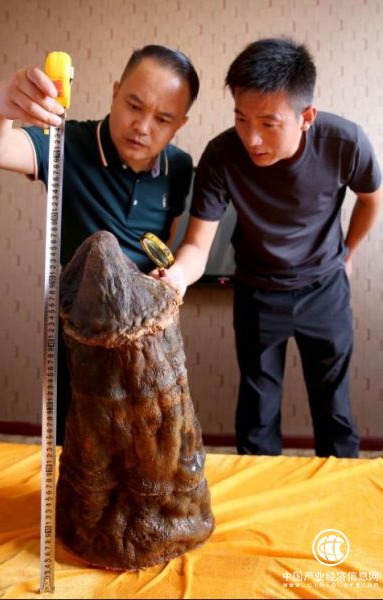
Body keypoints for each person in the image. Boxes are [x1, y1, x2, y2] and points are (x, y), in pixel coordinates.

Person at [0, 44, 200, 444]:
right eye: (134, 106)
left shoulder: (179, 167)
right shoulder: (66, 143)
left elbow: (175, 244)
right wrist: (2, 104)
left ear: (180, 124)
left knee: (145, 440)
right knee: (76, 437)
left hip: (144, 335)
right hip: (78, 328)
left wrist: (172, 279)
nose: (142, 126)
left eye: (163, 118)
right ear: (115, 92)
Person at [162, 37, 382, 458]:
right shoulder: (222, 155)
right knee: (257, 412)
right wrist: (175, 277)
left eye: (268, 123)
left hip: (325, 288)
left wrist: (348, 253)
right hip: (257, 290)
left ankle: (339, 489)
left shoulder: (345, 142)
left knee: (334, 408)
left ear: (306, 117)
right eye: (241, 119)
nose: (252, 138)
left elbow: (372, 200)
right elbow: (197, 245)